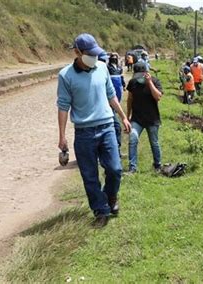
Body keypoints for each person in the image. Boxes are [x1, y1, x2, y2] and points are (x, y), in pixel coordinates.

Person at [57, 33, 131, 228]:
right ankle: (101, 211)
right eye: (89, 54)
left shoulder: (102, 68)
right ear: (77, 52)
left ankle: (111, 197)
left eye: (96, 53)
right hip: (84, 133)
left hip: (107, 126)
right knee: (90, 176)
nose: (94, 57)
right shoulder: (65, 76)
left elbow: (111, 95)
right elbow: (63, 106)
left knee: (115, 169)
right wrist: (62, 136)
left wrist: (123, 116)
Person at [126, 62, 163, 173]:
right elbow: (130, 99)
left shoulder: (155, 81)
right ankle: (132, 167)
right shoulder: (133, 83)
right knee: (132, 139)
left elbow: (158, 97)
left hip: (152, 118)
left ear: (146, 73)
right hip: (137, 118)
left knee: (154, 142)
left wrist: (149, 82)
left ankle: (157, 165)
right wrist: (127, 116)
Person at [107, 53, 126, 158]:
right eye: (113, 58)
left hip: (117, 99)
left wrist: (123, 85)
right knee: (116, 127)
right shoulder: (107, 69)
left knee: (116, 127)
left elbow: (122, 78)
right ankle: (115, 152)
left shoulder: (119, 69)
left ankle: (116, 151)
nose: (114, 59)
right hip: (109, 102)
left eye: (116, 57)